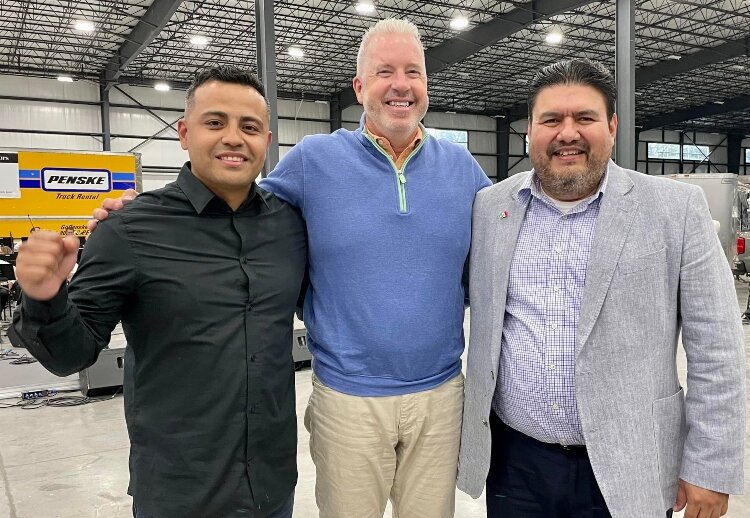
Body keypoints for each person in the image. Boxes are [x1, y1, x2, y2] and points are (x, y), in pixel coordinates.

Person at [90, 18, 490, 518]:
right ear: (360, 87)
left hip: (441, 395)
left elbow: (496, 253)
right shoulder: (313, 160)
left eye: (414, 71)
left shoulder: (464, 169)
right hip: (347, 399)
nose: (401, 84)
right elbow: (233, 207)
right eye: (385, 71)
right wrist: (144, 217)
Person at [12, 66, 306, 518]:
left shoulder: (289, 226)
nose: (233, 137)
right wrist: (44, 296)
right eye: (215, 122)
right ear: (184, 134)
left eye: (249, 127)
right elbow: (73, 354)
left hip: (272, 486)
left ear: (266, 144)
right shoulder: (128, 230)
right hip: (180, 493)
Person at [457, 58, 746, 518]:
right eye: (551, 119)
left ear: (611, 126)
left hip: (629, 462)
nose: (567, 133)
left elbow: (718, 350)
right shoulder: (491, 209)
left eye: (584, 118)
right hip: (515, 464)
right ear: (529, 130)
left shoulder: (675, 210)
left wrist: (710, 466)